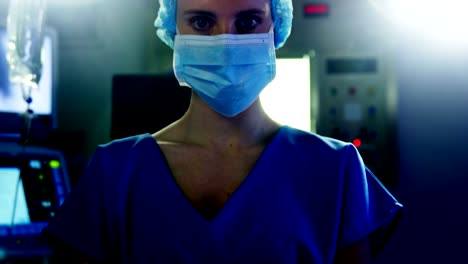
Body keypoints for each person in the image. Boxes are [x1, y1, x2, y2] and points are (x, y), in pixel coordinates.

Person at [42, 0, 403, 263]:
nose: (225, 41)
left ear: (275, 27)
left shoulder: (335, 170)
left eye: (247, 22)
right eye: (201, 22)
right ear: (173, 31)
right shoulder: (114, 172)